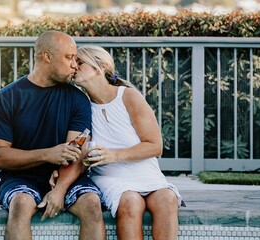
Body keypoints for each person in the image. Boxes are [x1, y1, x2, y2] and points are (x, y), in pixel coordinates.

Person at [0, 31, 106, 240]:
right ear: (47, 57)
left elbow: (77, 153)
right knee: (20, 205)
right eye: (68, 58)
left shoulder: (78, 99)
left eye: (75, 59)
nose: (74, 65)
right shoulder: (5, 99)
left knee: (92, 204)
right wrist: (46, 155)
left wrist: (59, 190)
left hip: (67, 177)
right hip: (20, 178)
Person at [52, 45, 184, 240]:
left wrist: (114, 155)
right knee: (130, 201)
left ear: (101, 67)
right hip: (110, 177)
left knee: (167, 198)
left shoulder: (128, 96)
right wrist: (60, 170)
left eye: (80, 62)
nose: (74, 66)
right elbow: (78, 150)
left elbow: (155, 146)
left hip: (146, 172)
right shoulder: (82, 106)